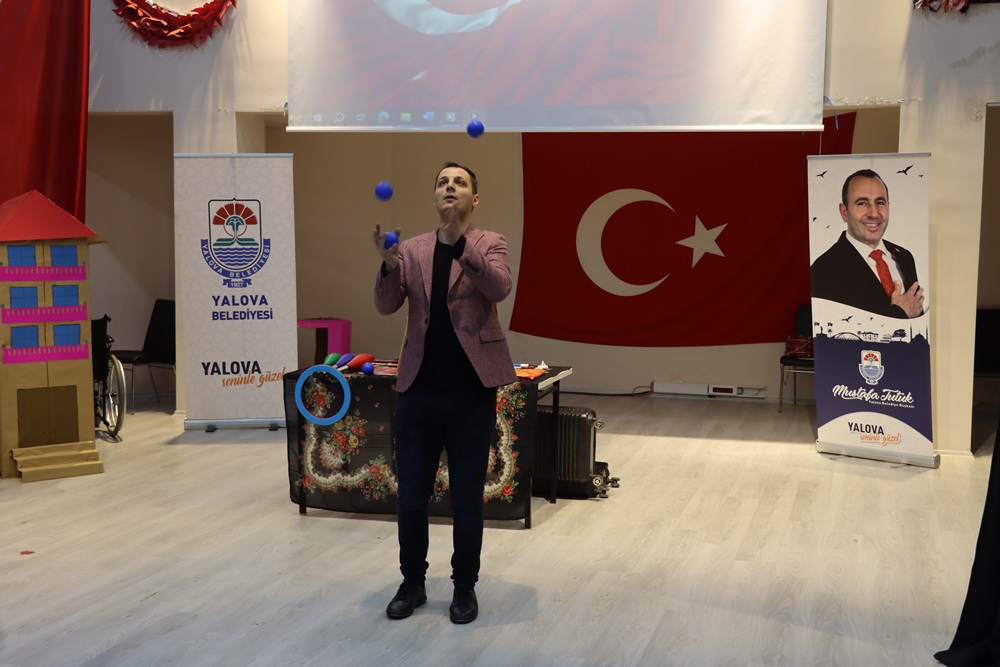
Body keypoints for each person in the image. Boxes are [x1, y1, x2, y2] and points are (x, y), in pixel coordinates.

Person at [372, 162, 516, 624]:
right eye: (442, 182)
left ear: (474, 199)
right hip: (419, 391)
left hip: (472, 393)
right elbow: (386, 305)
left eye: (459, 182)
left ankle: (464, 587)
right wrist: (389, 264)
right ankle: (412, 583)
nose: (449, 187)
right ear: (435, 197)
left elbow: (499, 288)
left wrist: (459, 246)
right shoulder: (411, 249)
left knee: (466, 499)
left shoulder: (489, 243)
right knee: (411, 497)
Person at [810, 169, 925, 318]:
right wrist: (899, 313)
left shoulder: (904, 257)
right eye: (862, 203)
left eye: (880, 203)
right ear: (844, 212)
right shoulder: (823, 270)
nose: (874, 213)